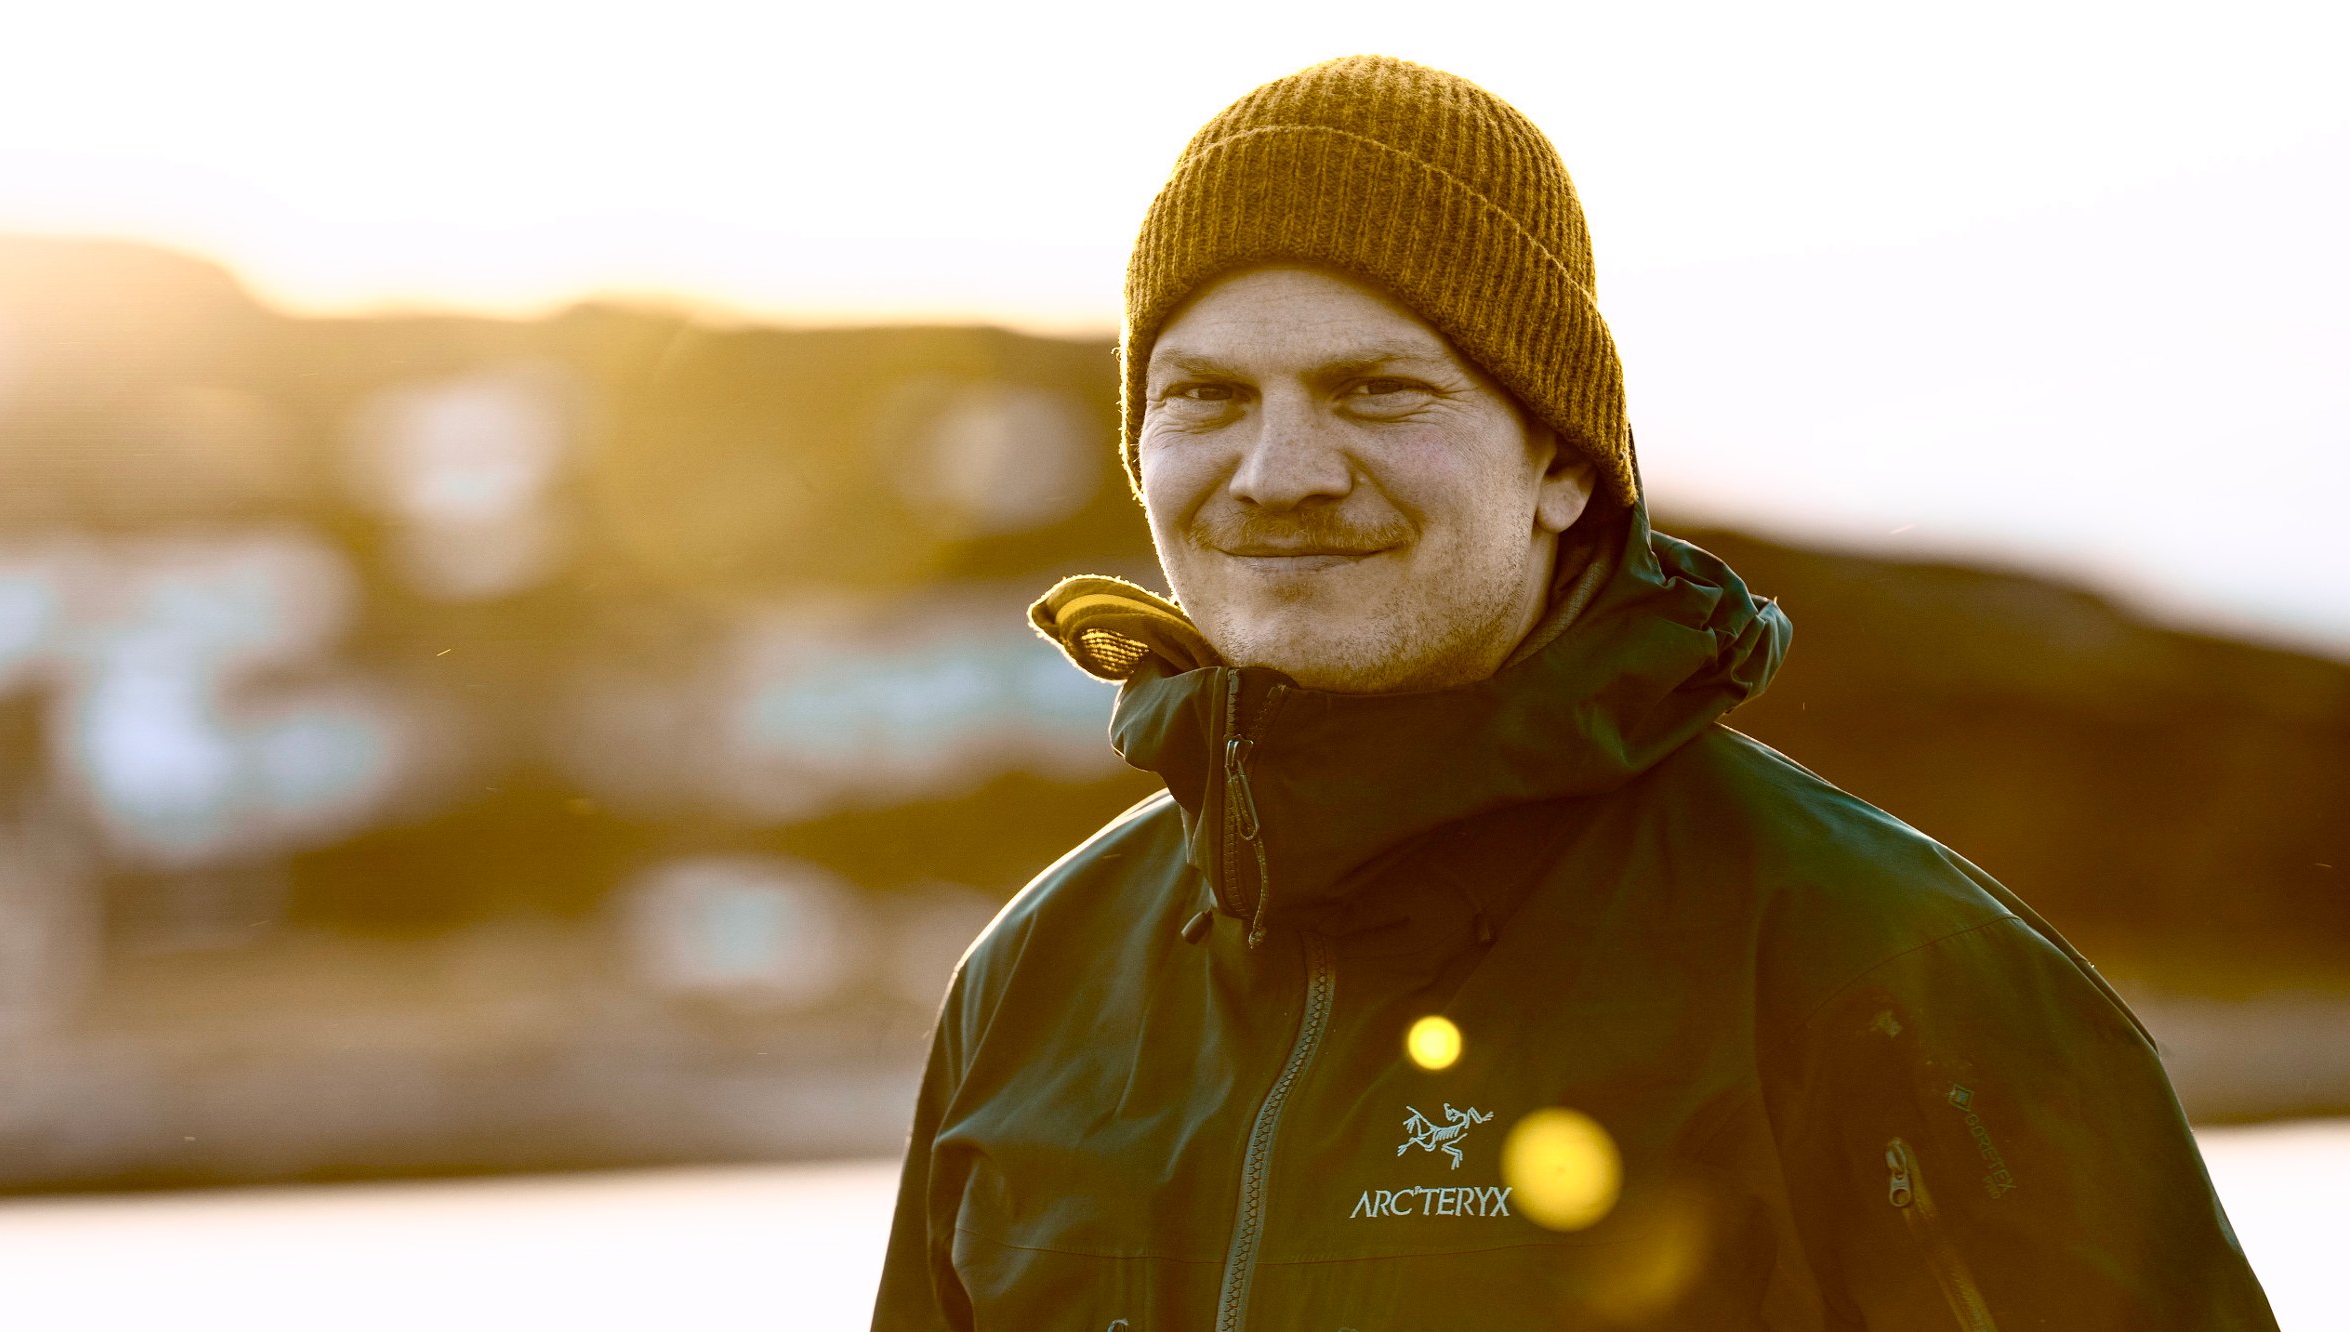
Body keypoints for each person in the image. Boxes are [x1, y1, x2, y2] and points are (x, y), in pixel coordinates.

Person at [871, 54, 2275, 1330]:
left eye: (1377, 390)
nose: (1279, 471)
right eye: (1207, 398)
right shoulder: (1032, 983)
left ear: (1561, 464)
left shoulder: (1883, 970)